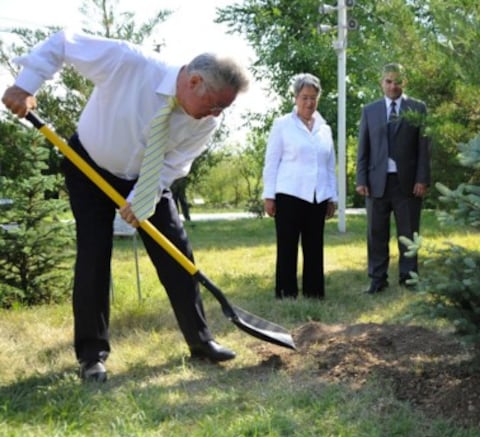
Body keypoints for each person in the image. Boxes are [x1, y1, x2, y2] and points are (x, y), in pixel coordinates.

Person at [2, 29, 250, 382]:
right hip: (88, 164)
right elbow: (62, 42)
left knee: (177, 253)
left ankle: (201, 340)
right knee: (93, 255)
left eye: (223, 108)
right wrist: (26, 85)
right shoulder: (130, 62)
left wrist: (143, 196)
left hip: (148, 177)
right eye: (215, 104)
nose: (216, 114)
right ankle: (92, 355)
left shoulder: (206, 121)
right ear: (194, 81)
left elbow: (176, 162)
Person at [356, 63, 431, 294]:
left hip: (407, 182)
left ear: (404, 82)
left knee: (408, 231)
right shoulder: (370, 110)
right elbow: (363, 148)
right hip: (377, 182)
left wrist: (422, 179)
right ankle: (377, 278)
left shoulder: (417, 108)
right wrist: (361, 179)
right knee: (376, 233)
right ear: (382, 83)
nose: (393, 86)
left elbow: (424, 148)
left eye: (397, 81)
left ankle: (409, 277)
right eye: (388, 81)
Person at [262, 73, 337, 299]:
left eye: (313, 97)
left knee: (314, 247)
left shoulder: (324, 128)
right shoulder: (282, 125)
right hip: (289, 195)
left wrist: (332, 197)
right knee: (287, 247)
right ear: (295, 98)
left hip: (318, 196)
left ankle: (314, 292)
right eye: (304, 97)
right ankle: (286, 292)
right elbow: (271, 162)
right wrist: (269, 196)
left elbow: (330, 165)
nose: (309, 102)